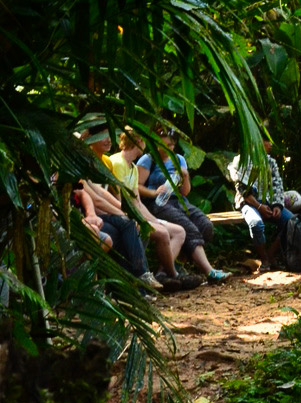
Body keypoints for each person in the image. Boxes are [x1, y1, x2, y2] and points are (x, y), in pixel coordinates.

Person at [137, 130, 230, 283]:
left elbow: (185, 192)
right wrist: (154, 192)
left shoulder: (179, 159)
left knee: (205, 225)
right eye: (162, 144)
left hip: (180, 201)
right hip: (157, 203)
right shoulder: (148, 159)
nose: (166, 148)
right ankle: (209, 272)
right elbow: (136, 186)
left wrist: (185, 176)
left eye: (170, 145)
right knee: (189, 229)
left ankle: (170, 268)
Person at [101, 127, 189, 287]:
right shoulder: (118, 163)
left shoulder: (133, 168)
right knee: (161, 233)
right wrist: (146, 221)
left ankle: (165, 275)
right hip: (120, 214)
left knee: (178, 231)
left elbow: (137, 202)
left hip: (133, 213)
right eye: (144, 141)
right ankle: (170, 276)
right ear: (138, 141)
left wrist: (155, 220)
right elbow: (119, 200)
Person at [77, 124, 159, 289]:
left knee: (135, 228)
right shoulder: (78, 165)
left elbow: (101, 192)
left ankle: (137, 286)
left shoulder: (104, 162)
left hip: (102, 215)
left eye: (109, 134)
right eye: (102, 135)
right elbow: (95, 199)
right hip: (88, 217)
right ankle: (136, 282)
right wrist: (122, 213)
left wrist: (123, 211)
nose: (108, 139)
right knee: (122, 231)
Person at [233, 137, 301, 256]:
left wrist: (277, 205)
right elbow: (244, 192)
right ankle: (263, 257)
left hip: (268, 202)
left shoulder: (270, 162)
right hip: (249, 203)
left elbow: (277, 186)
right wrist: (259, 207)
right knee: (256, 223)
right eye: (267, 141)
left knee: (292, 222)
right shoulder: (240, 161)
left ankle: (270, 254)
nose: (270, 144)